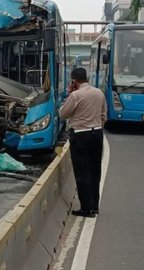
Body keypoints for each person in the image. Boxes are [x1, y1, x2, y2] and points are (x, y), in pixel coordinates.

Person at [59, 68, 107, 218]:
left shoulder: (75, 95)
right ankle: (94, 206)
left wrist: (69, 94)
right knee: (94, 170)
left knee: (82, 172)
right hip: (97, 133)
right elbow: (104, 115)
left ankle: (86, 208)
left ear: (74, 81)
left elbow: (62, 114)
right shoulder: (99, 93)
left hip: (80, 135)